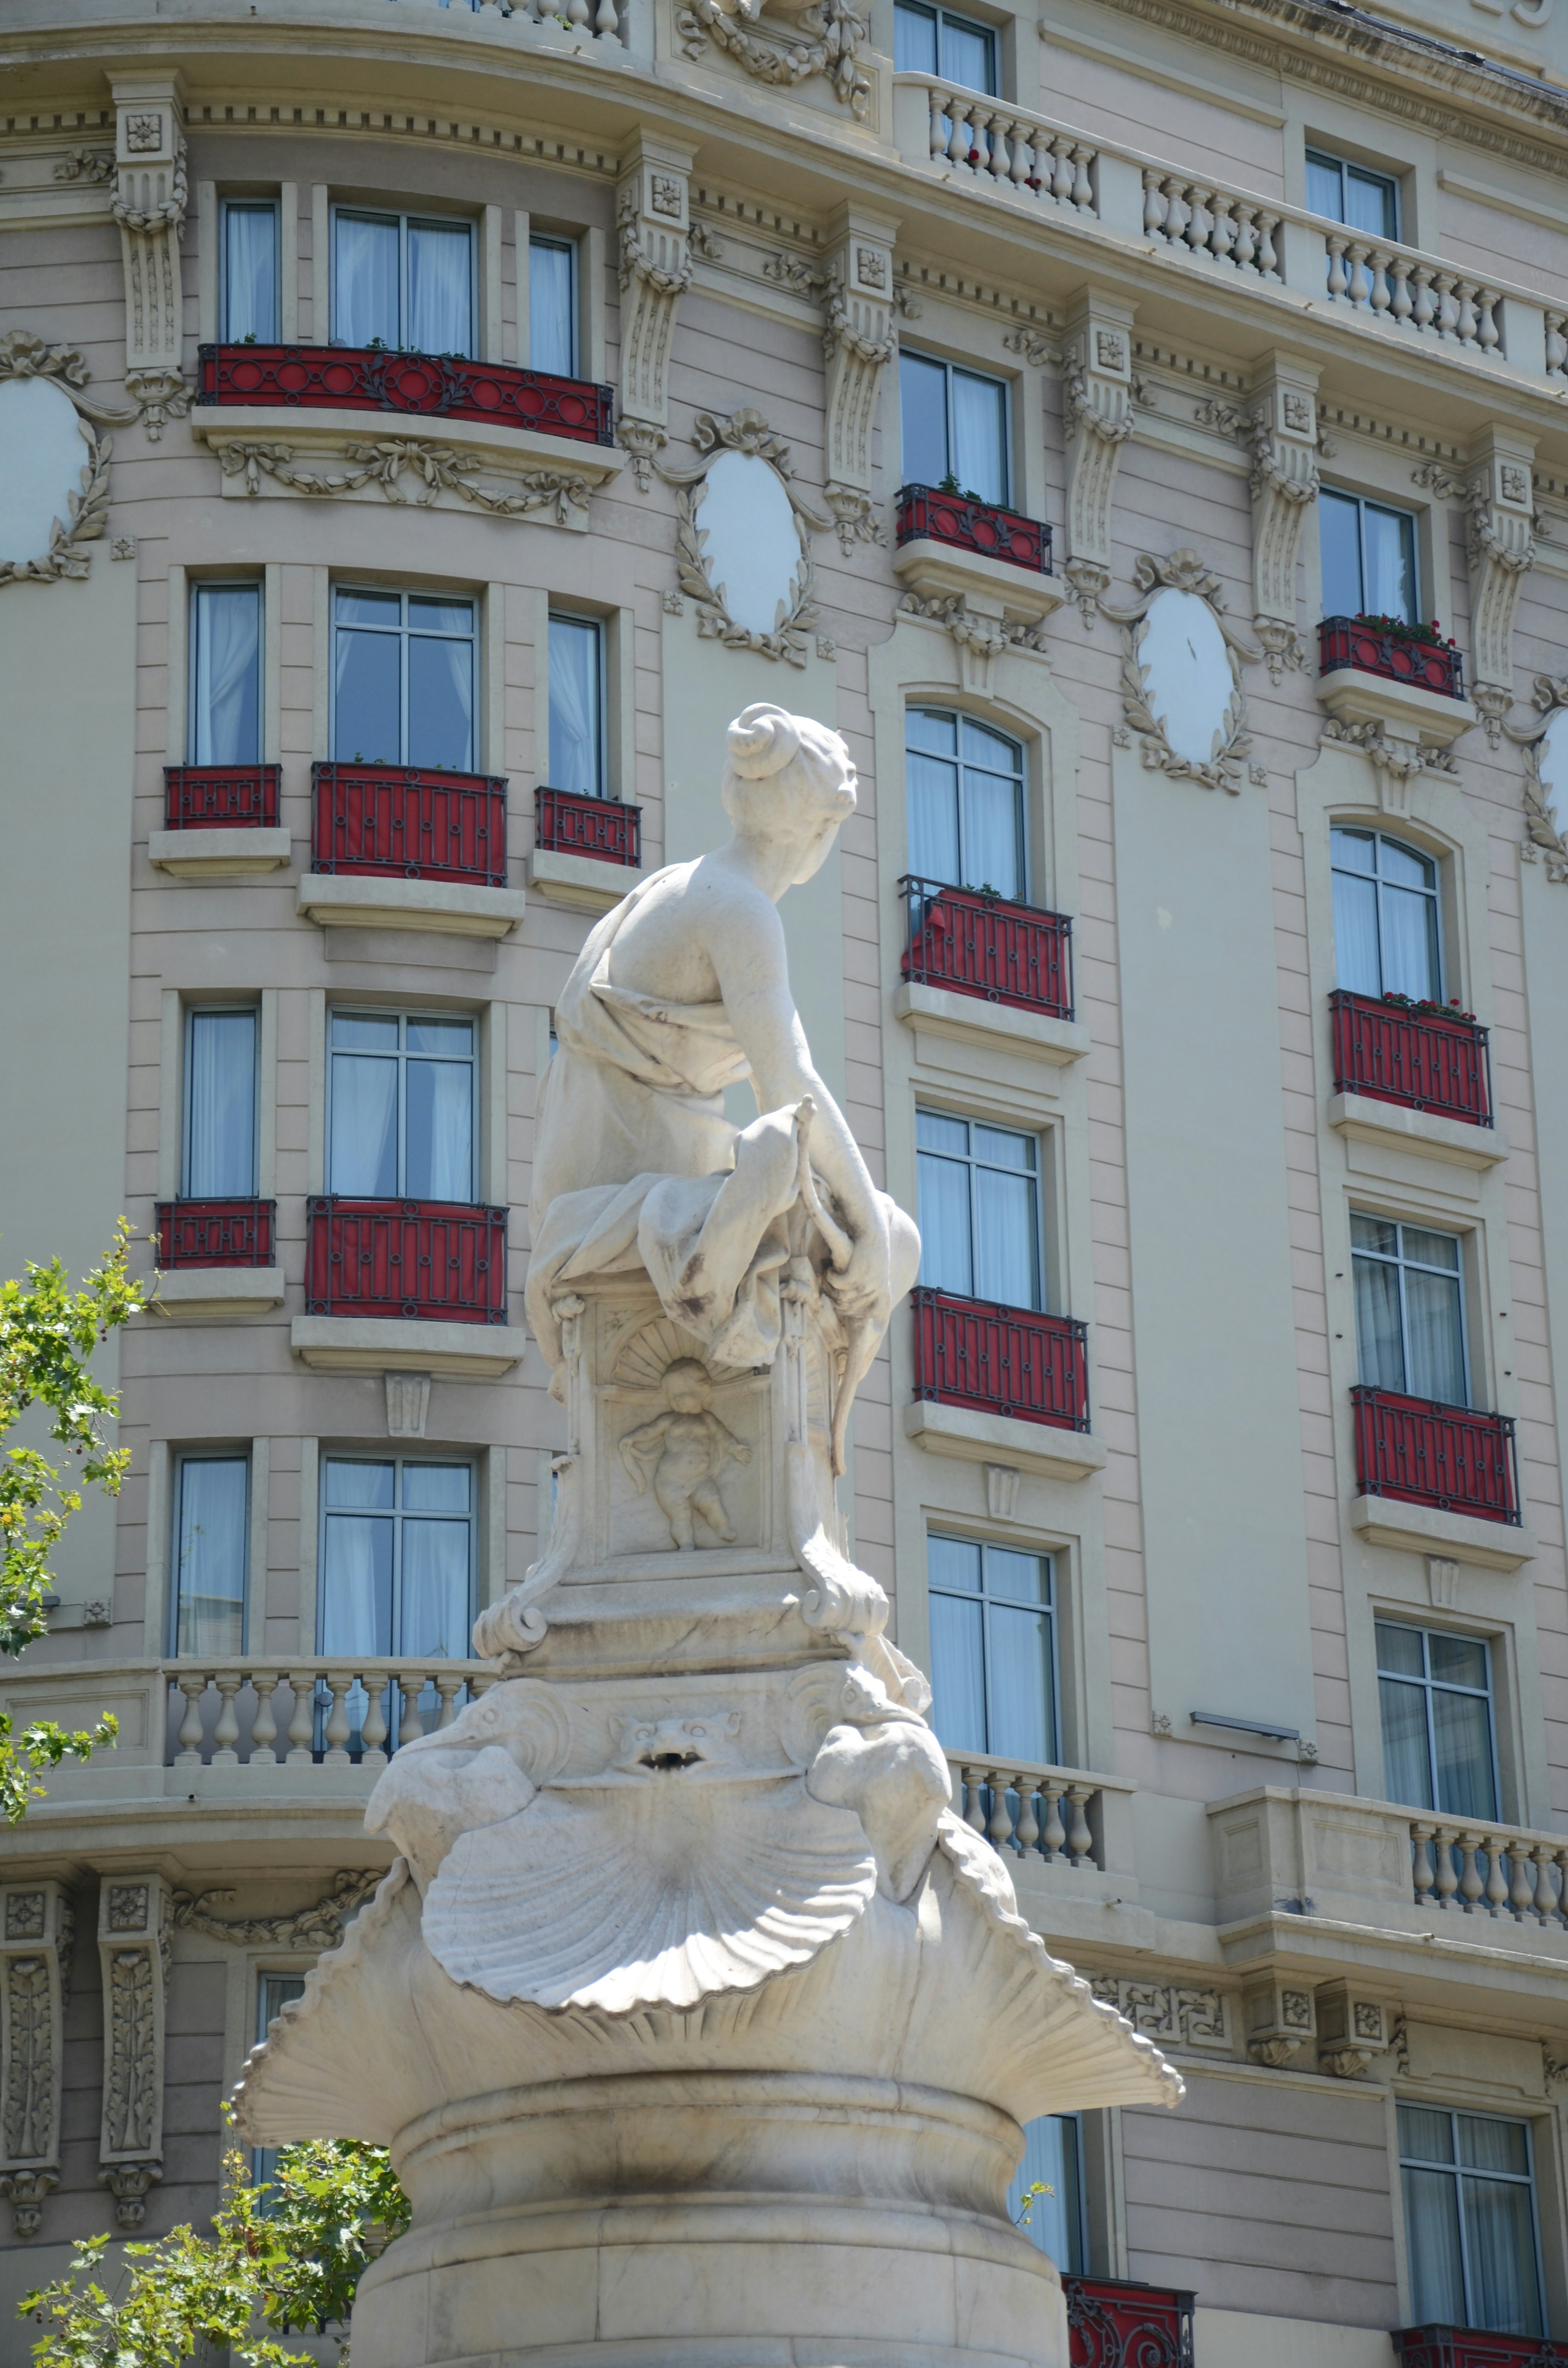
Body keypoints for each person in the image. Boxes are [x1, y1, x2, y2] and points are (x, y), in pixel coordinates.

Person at [526, 703, 919, 1430]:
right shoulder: (737, 909)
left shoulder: (677, 885)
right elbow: (788, 1084)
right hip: (621, 1200)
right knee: (834, 1193)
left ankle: (739, 1300)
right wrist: (862, 1221)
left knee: (877, 1226)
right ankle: (721, 1306)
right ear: (819, 830)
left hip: (601, 1190)